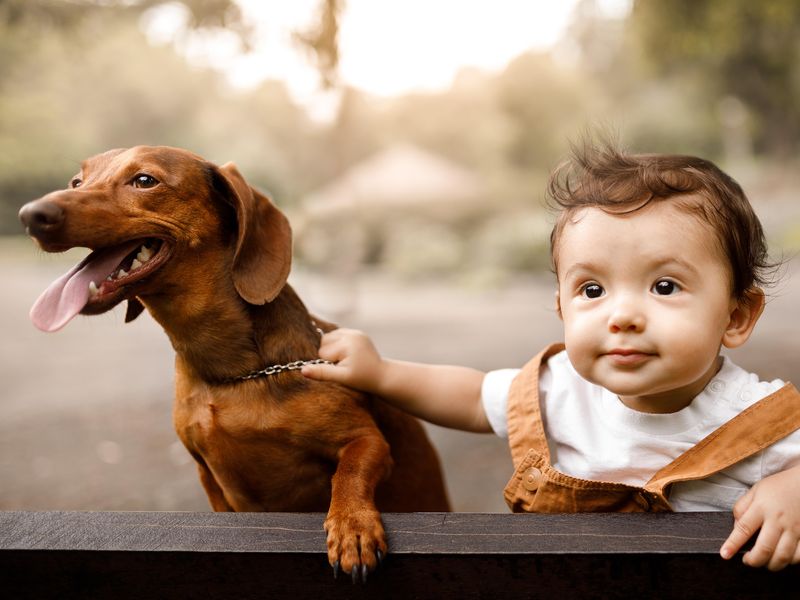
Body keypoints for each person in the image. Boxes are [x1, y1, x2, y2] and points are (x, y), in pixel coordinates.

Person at [302, 142, 800, 571]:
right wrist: (381, 372)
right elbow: (475, 397)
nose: (621, 315)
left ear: (736, 316)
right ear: (561, 306)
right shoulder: (560, 391)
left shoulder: (760, 420)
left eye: (663, 286)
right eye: (593, 288)